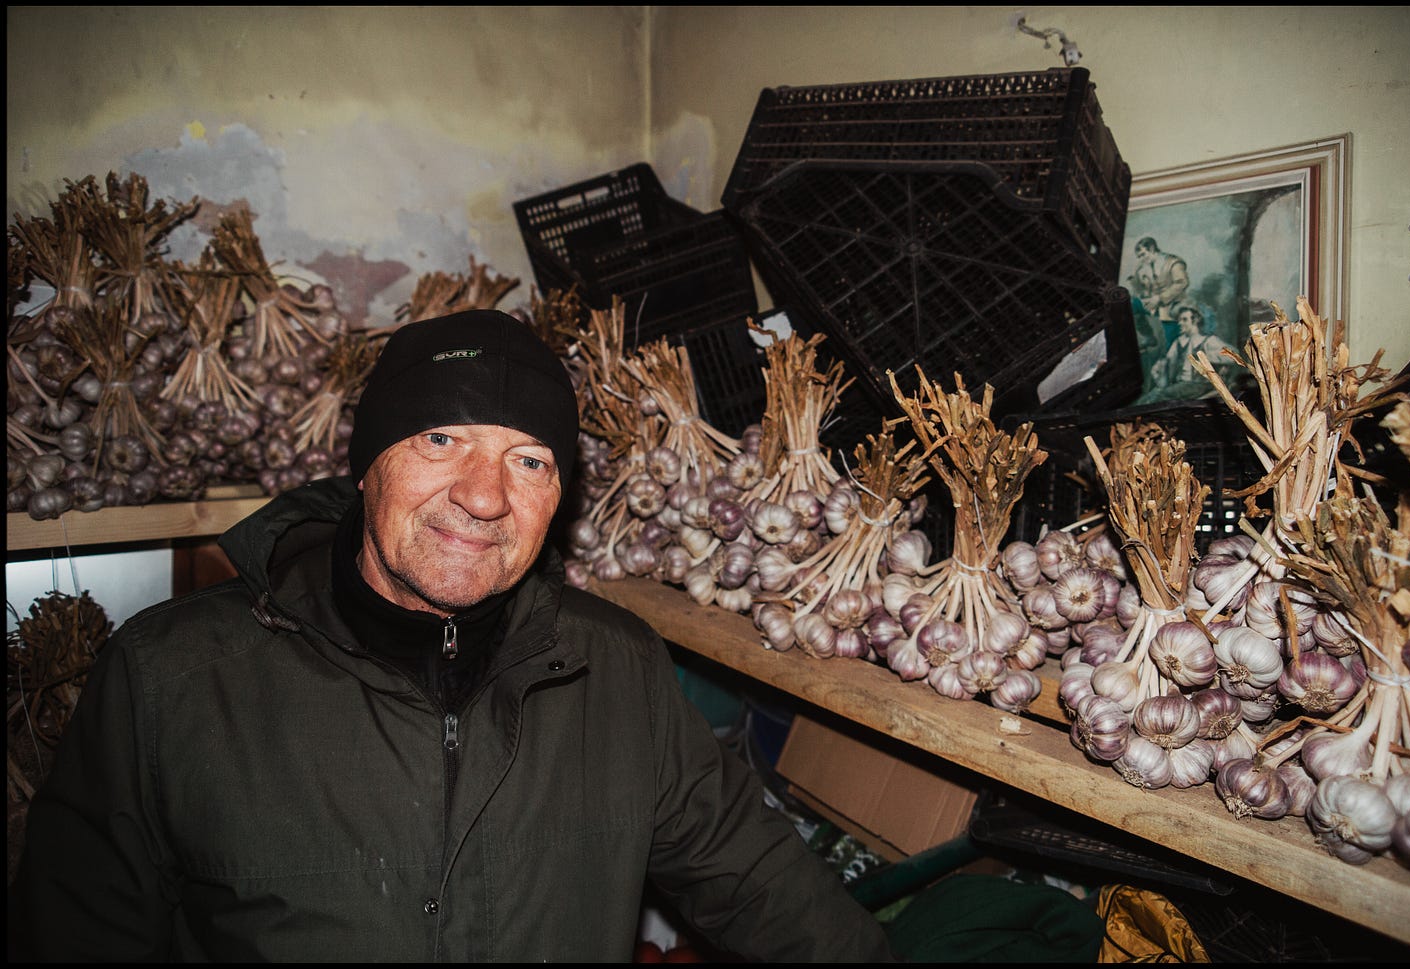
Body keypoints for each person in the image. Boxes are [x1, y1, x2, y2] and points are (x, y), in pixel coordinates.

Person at [8, 309, 897, 962]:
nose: (483, 494)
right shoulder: (172, 679)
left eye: (529, 460)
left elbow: (766, 889)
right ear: (366, 464)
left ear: (559, 496)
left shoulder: (614, 668)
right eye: (441, 437)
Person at [1146, 303, 1238, 400]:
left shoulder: (1208, 341)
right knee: (1153, 395)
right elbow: (1168, 361)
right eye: (1179, 320)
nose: (1180, 323)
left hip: (1200, 385)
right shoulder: (1179, 342)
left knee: (1163, 395)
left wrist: (1206, 357)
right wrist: (1159, 367)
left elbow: (1234, 355)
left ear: (1196, 320)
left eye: (1184, 320)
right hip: (1181, 384)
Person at [1126, 236, 1191, 358]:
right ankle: (1149, 337)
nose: (1141, 259)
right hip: (1155, 305)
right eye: (1139, 257)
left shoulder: (1173, 262)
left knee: (1171, 343)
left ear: (1152, 249)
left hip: (1174, 306)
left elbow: (1182, 283)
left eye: (1143, 254)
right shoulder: (1145, 267)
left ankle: (1174, 359)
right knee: (1131, 305)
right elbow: (1144, 288)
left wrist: (1159, 298)